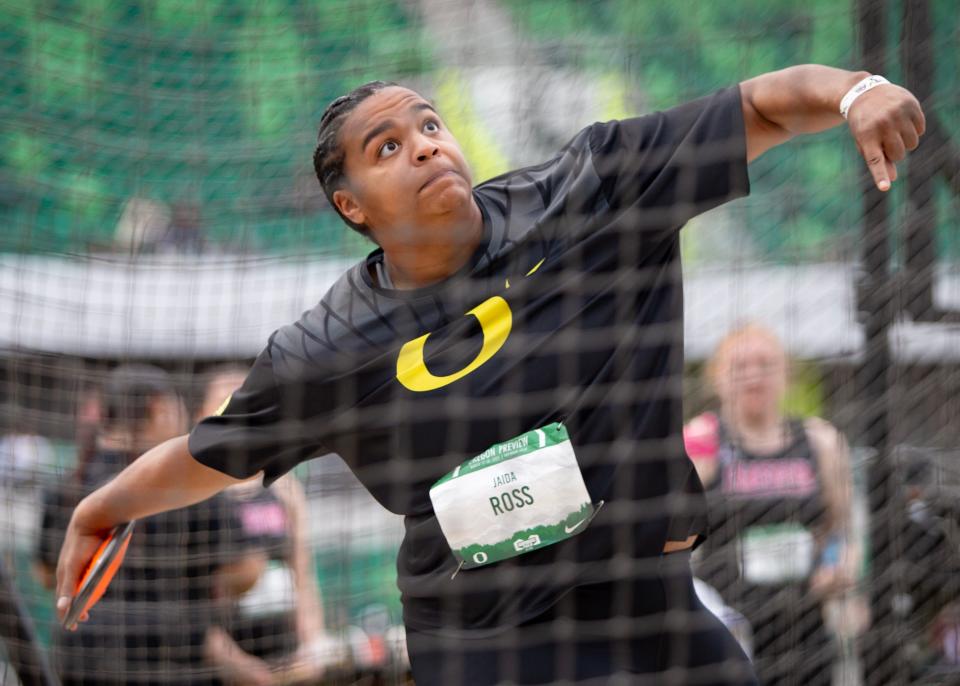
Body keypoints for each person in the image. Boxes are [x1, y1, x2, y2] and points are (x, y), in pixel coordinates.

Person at [54, 66, 924, 685]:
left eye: (429, 125)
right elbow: (218, 452)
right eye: (387, 146)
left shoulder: (587, 193)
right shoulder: (329, 348)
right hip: (486, 635)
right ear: (352, 205)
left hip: (646, 599)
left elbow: (758, 110)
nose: (426, 147)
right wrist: (104, 506)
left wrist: (853, 93)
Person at [36, 365, 261, 685]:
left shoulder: (67, 487)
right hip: (175, 661)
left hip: (83, 659)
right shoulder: (191, 485)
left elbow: (47, 574)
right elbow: (247, 572)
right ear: (159, 407)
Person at [684, 324, 858, 684]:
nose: (753, 376)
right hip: (728, 619)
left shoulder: (820, 440)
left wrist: (838, 566)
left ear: (785, 373)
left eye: (765, 364)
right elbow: (671, 532)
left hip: (803, 619)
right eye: (739, 366)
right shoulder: (702, 439)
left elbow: (843, 529)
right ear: (716, 377)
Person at [196, 366, 332, 685]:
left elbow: (302, 569)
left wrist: (313, 642)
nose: (236, 414)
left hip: (281, 648)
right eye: (223, 403)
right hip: (222, 657)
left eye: (243, 402)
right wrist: (237, 665)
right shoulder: (198, 495)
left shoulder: (283, 487)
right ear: (201, 415)